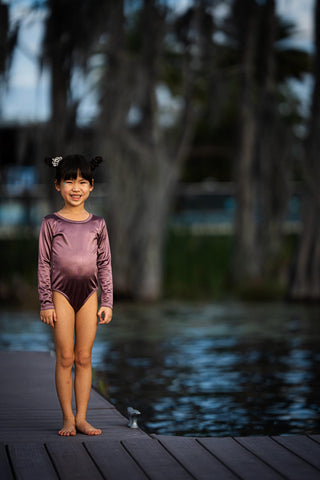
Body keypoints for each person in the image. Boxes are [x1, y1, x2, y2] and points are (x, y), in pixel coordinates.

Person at [38, 154, 113, 436]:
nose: (76, 187)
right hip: (61, 293)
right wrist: (46, 301)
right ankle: (68, 418)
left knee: (84, 357)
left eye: (82, 181)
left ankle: (82, 418)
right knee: (65, 357)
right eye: (69, 181)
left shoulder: (98, 224)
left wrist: (107, 301)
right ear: (57, 185)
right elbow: (44, 264)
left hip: (90, 294)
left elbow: (105, 264)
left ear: (91, 186)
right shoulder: (51, 223)